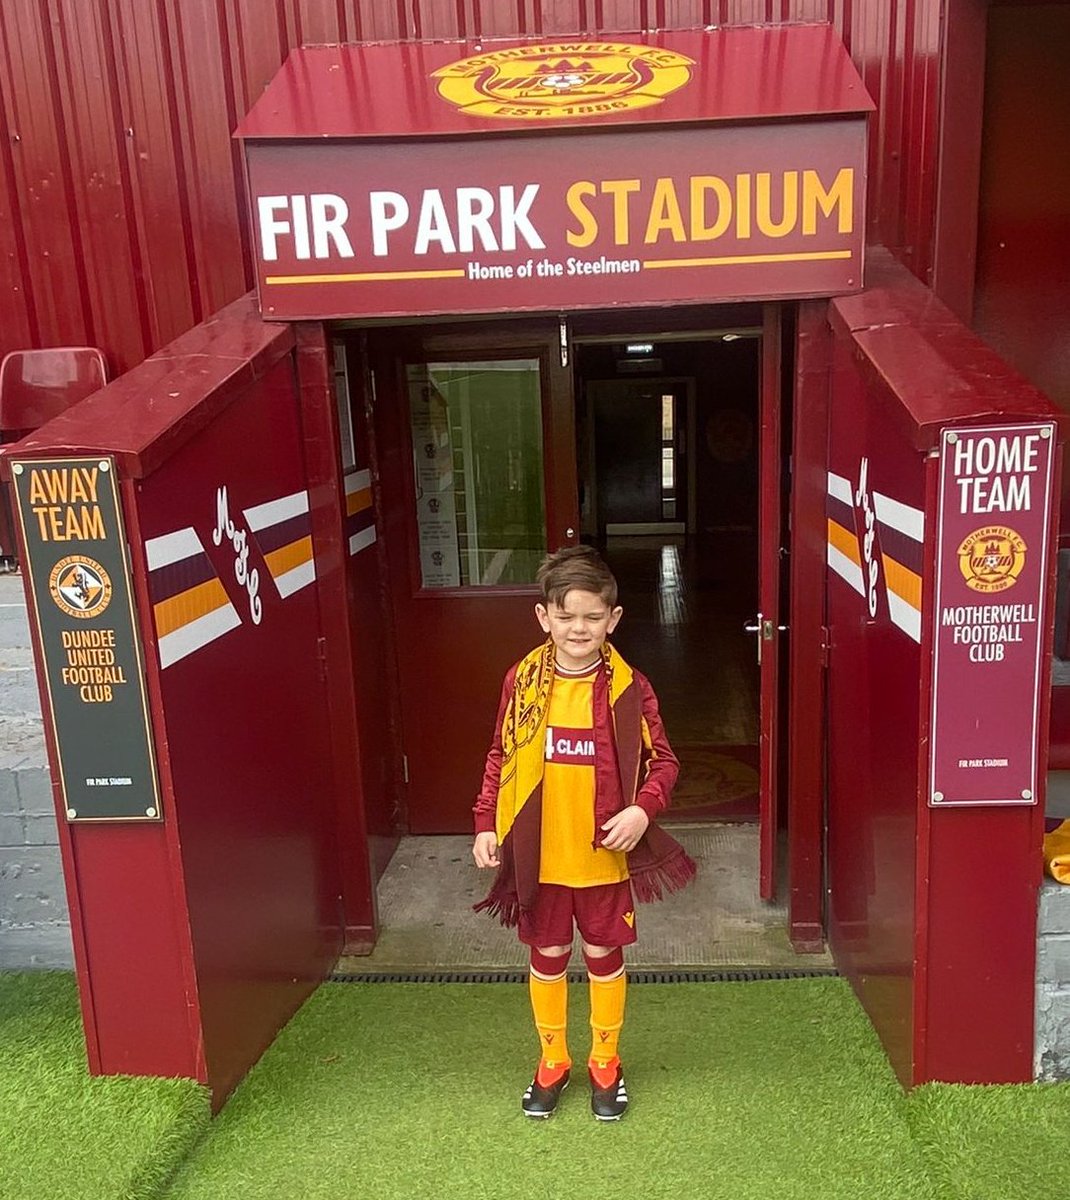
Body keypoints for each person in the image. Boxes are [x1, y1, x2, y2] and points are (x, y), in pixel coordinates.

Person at [472, 545, 695, 1120]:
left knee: (602, 952)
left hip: (601, 858)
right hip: (539, 856)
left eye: (592, 617)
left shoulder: (629, 687)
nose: (579, 628)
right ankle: (553, 1060)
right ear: (544, 616)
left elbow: (663, 761)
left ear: (612, 621)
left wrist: (642, 811)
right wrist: (484, 822)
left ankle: (604, 1060)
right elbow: (500, 754)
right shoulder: (520, 680)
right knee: (546, 954)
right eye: (566, 615)